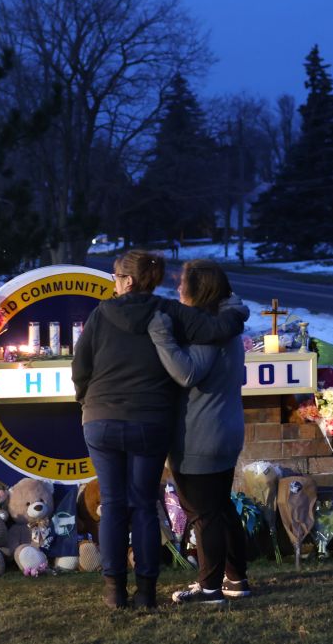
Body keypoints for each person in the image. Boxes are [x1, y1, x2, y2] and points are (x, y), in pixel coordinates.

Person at [70, 250, 246, 610]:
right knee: (144, 507)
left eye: (116, 277)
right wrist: (236, 310)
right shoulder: (169, 312)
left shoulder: (101, 314)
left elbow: (80, 366)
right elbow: (217, 329)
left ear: (128, 280)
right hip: (150, 422)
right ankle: (146, 593)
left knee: (114, 505)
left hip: (101, 420)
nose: (114, 283)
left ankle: (114, 592)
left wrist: (87, 402)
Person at [147, 259, 251, 605]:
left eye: (182, 284)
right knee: (221, 508)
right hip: (225, 428)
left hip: (202, 435)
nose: (178, 290)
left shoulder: (209, 329)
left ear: (200, 288)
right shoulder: (226, 323)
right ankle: (236, 579)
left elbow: (187, 373)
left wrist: (161, 335)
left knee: (203, 514)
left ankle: (209, 589)